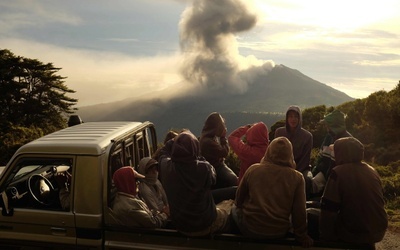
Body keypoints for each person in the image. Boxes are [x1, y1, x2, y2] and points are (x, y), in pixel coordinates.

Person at [232, 137, 314, 248]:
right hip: (278, 232)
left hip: (250, 228)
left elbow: (238, 200)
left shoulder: (253, 169)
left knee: (232, 207)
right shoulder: (297, 177)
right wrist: (302, 236)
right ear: (290, 154)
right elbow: (299, 212)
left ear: (269, 151)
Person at [160, 130, 232, 236]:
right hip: (205, 224)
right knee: (231, 212)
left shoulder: (166, 166)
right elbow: (213, 178)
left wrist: (174, 141)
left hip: (180, 226)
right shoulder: (204, 169)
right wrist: (197, 155)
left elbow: (163, 152)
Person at [319, 137, 388, 247]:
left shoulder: (338, 172)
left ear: (342, 154)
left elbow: (328, 208)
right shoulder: (372, 171)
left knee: (311, 217)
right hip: (378, 231)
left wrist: (326, 236)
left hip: (353, 232)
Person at [310, 109, 352, 198]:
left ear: (334, 125)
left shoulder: (348, 141)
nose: (326, 128)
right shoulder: (329, 137)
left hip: (338, 180)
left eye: (327, 125)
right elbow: (321, 158)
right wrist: (315, 172)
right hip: (324, 174)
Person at [199, 112, 238, 189]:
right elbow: (224, 152)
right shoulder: (208, 141)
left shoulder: (207, 137)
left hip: (216, 165)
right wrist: (223, 137)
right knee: (234, 180)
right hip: (216, 167)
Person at [274, 105, 313, 177]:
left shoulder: (307, 136)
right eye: (290, 116)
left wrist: (294, 173)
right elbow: (274, 153)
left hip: (300, 169)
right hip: (280, 167)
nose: (293, 119)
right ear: (287, 118)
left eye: (296, 116)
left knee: (308, 179)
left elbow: (305, 159)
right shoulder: (279, 132)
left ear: (299, 118)